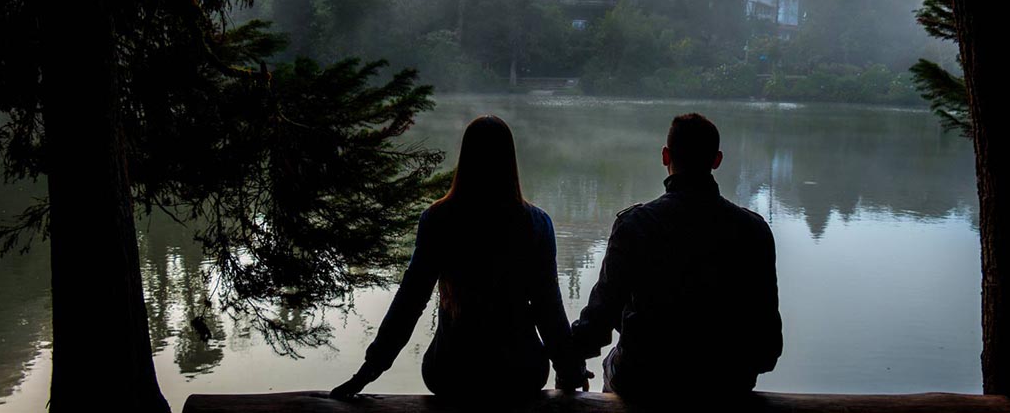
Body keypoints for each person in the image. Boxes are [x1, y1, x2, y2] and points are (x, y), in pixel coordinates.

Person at [329, 115, 589, 400]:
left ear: (465, 158)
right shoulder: (537, 224)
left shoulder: (438, 220)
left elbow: (410, 300)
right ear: (510, 160)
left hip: (450, 371)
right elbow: (547, 307)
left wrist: (368, 371)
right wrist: (569, 368)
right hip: (521, 372)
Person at [571, 113, 782, 400]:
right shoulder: (753, 230)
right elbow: (768, 343)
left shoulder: (635, 225)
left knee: (616, 362)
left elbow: (598, 321)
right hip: (728, 382)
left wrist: (569, 360)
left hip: (647, 378)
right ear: (716, 160)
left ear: (665, 155)